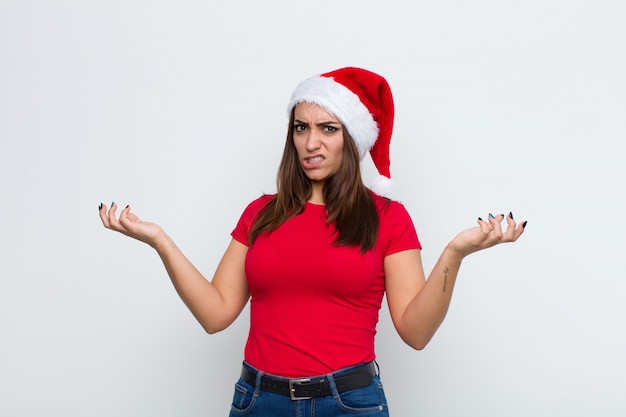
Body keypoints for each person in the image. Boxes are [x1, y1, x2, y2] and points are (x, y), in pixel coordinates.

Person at [99, 67, 526, 416]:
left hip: (349, 403)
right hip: (258, 402)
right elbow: (215, 314)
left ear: (352, 138)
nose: (310, 142)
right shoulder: (260, 213)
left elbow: (415, 332)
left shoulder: (387, 219)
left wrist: (455, 254)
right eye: (301, 127)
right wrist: (160, 242)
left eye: (328, 129)